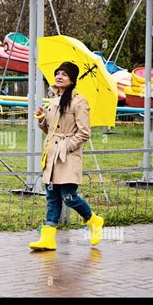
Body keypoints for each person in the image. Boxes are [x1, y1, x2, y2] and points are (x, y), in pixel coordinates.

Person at [29, 62, 104, 250]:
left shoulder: (80, 102)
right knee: (52, 197)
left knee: (68, 197)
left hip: (67, 156)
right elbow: (50, 130)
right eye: (57, 73)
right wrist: (41, 119)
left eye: (64, 74)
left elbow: (84, 132)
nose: (59, 77)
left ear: (72, 80)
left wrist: (66, 146)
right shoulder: (54, 101)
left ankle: (93, 220)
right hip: (51, 155)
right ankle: (48, 238)